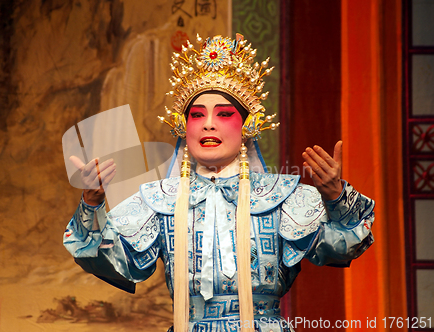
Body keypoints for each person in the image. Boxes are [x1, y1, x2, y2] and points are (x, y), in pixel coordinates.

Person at [64, 33, 375, 332]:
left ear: (247, 126)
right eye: (197, 115)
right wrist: (91, 202)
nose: (209, 123)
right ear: (183, 128)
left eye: (224, 114)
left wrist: (336, 197)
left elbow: (345, 245)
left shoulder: (280, 196)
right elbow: (107, 257)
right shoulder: (160, 200)